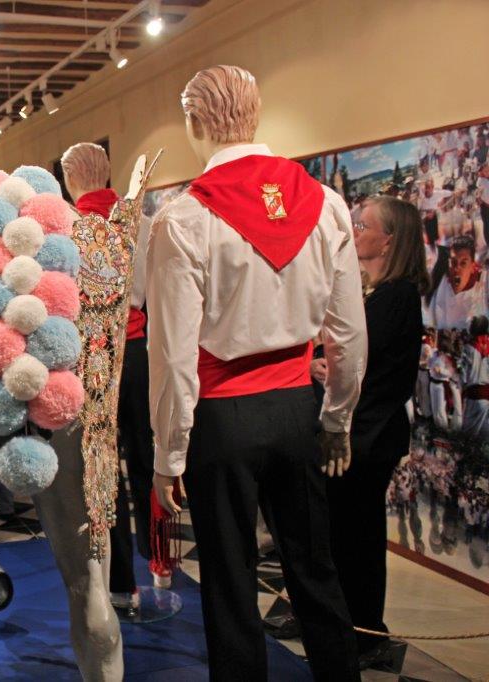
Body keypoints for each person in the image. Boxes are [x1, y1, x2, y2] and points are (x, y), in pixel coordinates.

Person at [147, 65, 366, 681]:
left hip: (222, 418)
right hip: (297, 409)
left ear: (194, 121)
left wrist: (168, 454)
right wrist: (337, 418)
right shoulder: (325, 204)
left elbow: (173, 356)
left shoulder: (184, 218)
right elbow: (349, 333)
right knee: (315, 569)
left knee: (230, 580)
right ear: (256, 113)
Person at [318, 196, 428, 669]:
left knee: (356, 539)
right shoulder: (378, 293)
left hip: (368, 436)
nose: (355, 231)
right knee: (341, 534)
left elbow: (361, 362)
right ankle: (339, 623)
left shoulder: (396, 296)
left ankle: (363, 631)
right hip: (360, 432)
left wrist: (328, 368)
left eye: (363, 225)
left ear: (389, 241)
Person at [60, 142, 157, 612]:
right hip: (139, 350)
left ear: (69, 180)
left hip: (90, 357)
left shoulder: (66, 228)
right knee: (145, 457)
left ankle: (120, 582)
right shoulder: (141, 223)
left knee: (101, 468)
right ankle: (160, 561)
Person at [429, 235, 489, 329]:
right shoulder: (440, 283)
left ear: (472, 266)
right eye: (453, 262)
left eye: (463, 263)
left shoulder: (483, 287)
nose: (457, 269)